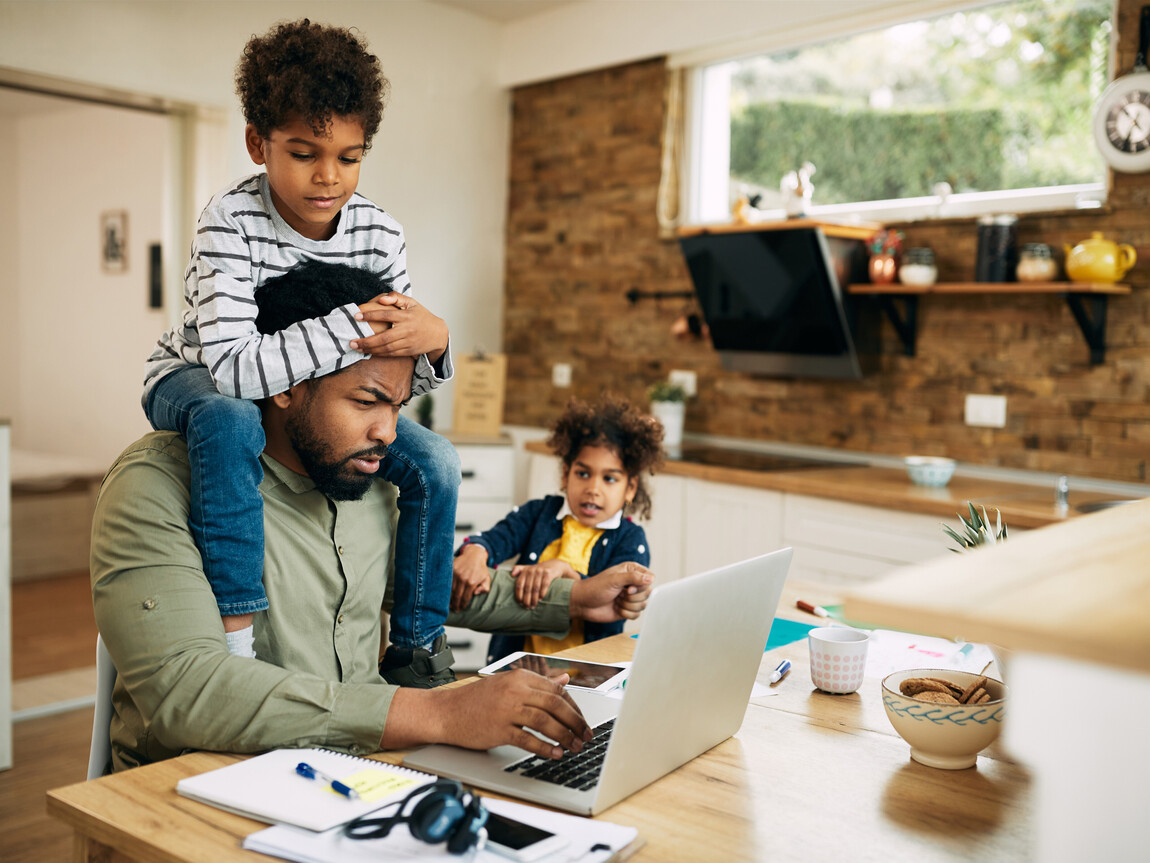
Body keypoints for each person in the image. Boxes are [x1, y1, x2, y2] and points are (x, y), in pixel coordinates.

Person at [91, 259, 655, 774]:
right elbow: (188, 693)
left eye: (397, 406)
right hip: (201, 789)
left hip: (365, 774)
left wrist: (575, 602)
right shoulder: (157, 485)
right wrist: (439, 713)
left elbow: (422, 587)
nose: (387, 432)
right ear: (284, 383)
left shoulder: (370, 476)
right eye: (365, 402)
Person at [142, 19, 459, 686]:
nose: (328, 177)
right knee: (231, 420)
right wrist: (350, 324)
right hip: (194, 372)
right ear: (259, 143)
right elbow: (233, 367)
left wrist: (434, 340)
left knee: (435, 459)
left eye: (349, 156)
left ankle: (417, 644)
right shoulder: (228, 221)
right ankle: (236, 637)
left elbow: (385, 376)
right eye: (304, 152)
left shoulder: (379, 232)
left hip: (291, 391)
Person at [452, 395, 664, 663]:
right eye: (583, 473)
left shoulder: (631, 539)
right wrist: (475, 552)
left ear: (630, 488)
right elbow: (494, 539)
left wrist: (564, 570)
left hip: (586, 678)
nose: (593, 489)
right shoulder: (538, 513)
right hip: (518, 667)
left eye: (609, 478)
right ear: (565, 475)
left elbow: (611, 601)